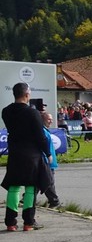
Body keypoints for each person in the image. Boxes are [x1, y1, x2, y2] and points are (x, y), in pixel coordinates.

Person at [2, 83, 51, 231]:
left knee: (14, 186)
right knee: (31, 187)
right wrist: (48, 153)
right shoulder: (32, 113)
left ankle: (10, 222)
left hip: (15, 153)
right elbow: (40, 136)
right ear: (27, 95)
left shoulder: (6, 111)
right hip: (32, 155)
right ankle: (28, 222)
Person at [41, 111, 61, 209]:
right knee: (49, 181)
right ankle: (54, 201)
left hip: (49, 160)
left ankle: (26, 198)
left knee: (42, 181)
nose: (51, 121)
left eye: (51, 119)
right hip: (45, 160)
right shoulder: (42, 131)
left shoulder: (45, 130)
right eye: (49, 119)